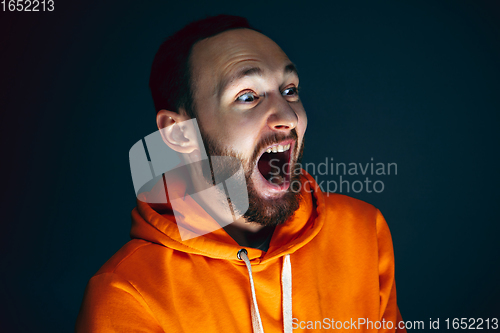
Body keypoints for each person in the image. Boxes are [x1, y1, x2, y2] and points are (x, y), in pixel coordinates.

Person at [76, 15, 406, 332]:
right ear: (179, 134)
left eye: (290, 90)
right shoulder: (127, 291)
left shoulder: (363, 230)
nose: (288, 116)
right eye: (247, 96)